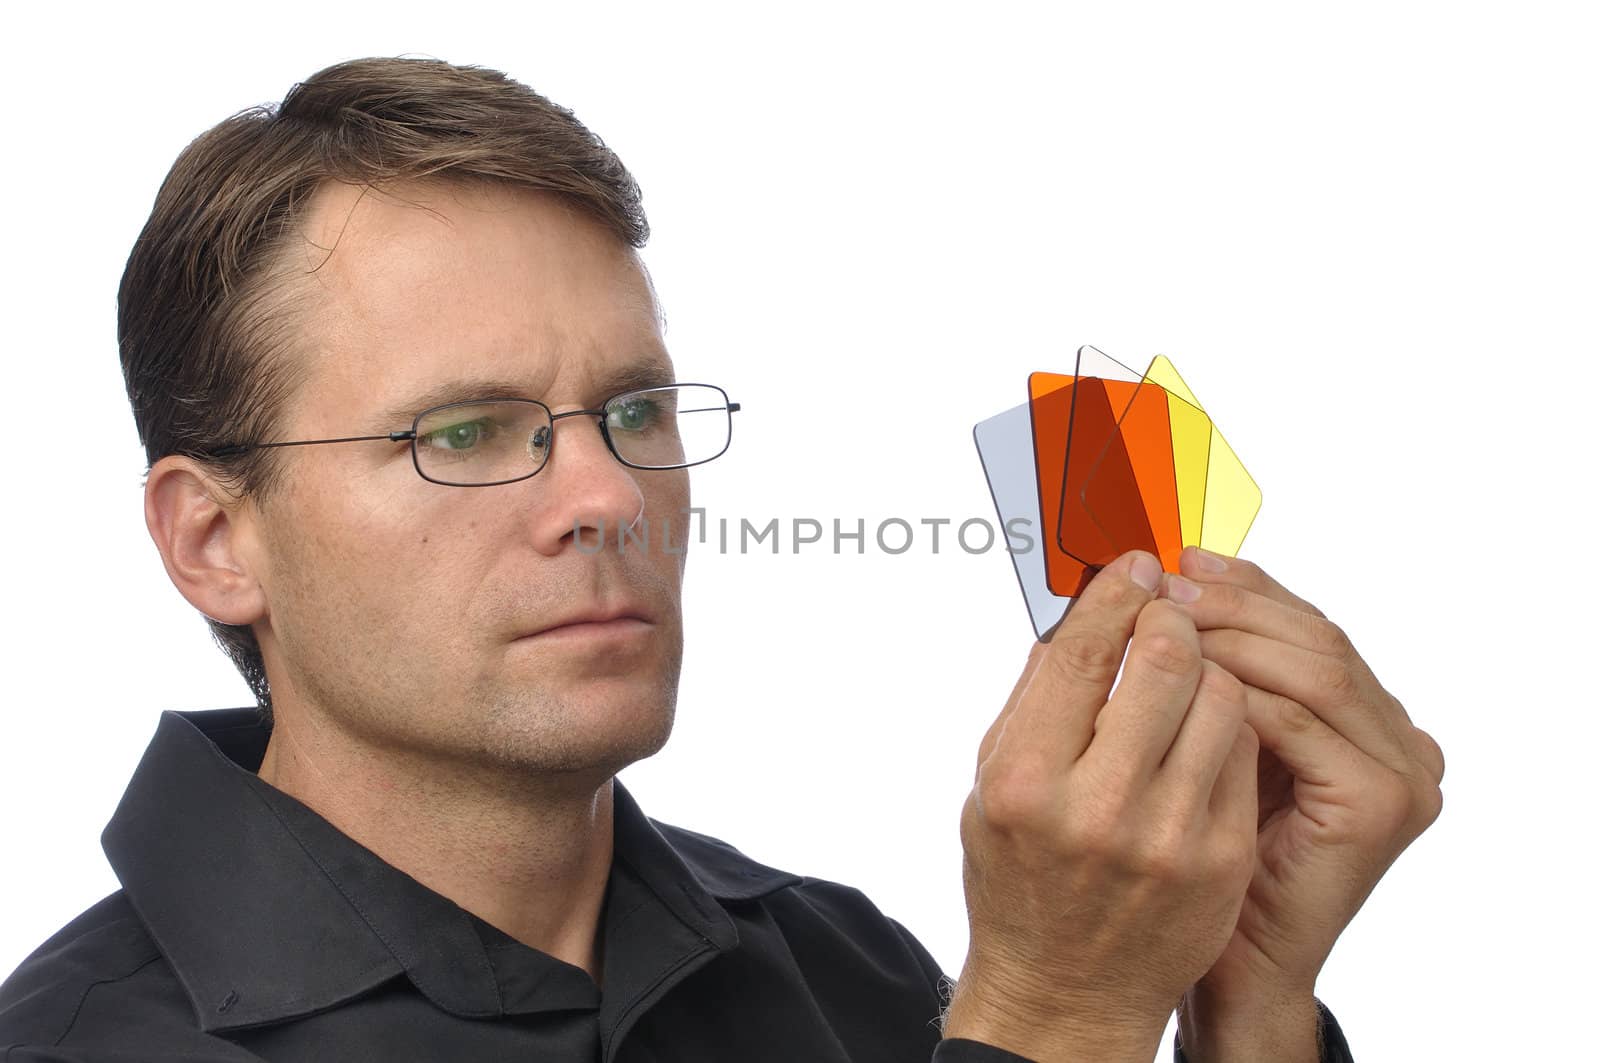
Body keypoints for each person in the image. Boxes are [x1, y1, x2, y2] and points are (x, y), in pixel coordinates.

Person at [0, 57, 1441, 1062]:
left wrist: (1246, 1010)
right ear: (212, 540)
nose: (607, 494)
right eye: (462, 430)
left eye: (633, 410)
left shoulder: (841, 966)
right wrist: (1052, 1026)